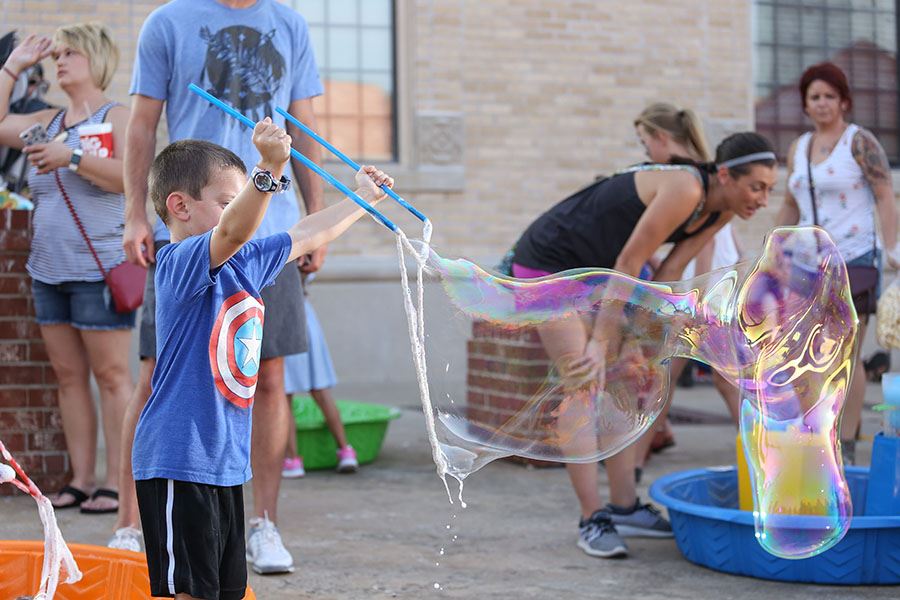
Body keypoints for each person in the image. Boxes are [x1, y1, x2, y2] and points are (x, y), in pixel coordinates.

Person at [132, 124, 392, 599]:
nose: (240, 210)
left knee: (225, 590)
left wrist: (364, 199)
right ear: (180, 206)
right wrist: (270, 167)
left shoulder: (245, 263)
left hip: (224, 463)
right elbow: (233, 228)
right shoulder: (178, 262)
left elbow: (305, 233)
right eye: (227, 198)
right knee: (188, 591)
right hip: (177, 459)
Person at [112, 0, 325, 569]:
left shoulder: (290, 23)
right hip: (195, 236)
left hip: (271, 238)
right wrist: (137, 214)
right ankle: (133, 523)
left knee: (267, 375)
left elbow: (303, 122)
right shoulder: (167, 22)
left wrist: (317, 210)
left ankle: (263, 524)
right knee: (155, 374)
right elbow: (141, 123)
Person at [510, 132, 777, 558]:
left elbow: (668, 271)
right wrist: (600, 341)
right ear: (725, 175)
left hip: (602, 273)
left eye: (769, 190)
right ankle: (591, 518)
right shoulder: (686, 187)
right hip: (551, 263)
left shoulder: (721, 210)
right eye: (756, 186)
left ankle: (625, 506)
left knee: (622, 381)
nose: (763, 199)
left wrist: (638, 340)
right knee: (582, 378)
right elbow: (630, 261)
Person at [0, 26, 132, 514]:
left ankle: (118, 486)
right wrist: (13, 65)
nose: (58, 62)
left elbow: (132, 177)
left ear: (95, 59)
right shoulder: (47, 120)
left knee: (113, 376)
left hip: (100, 266)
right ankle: (81, 480)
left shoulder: (117, 115)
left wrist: (72, 157)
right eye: (55, 55)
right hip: (48, 269)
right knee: (67, 376)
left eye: (69, 53)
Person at [776, 62, 900, 465]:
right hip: (808, 264)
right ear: (805, 105)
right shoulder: (799, 147)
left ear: (844, 101)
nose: (823, 103)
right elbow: (790, 203)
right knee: (808, 355)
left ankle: (845, 445)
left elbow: (885, 194)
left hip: (855, 258)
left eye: (830, 95)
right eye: (815, 97)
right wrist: (771, 248)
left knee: (847, 354)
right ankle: (816, 436)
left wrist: (893, 248)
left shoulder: (858, 142)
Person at [631, 104, 743, 480]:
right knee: (671, 375)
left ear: (663, 138)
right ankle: (637, 456)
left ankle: (635, 459)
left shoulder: (689, 181)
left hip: (703, 294)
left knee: (709, 379)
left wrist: (697, 298)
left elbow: (707, 246)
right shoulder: (707, 174)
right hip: (712, 289)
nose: (645, 152)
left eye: (646, 141)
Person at [282, 274, 358, 478]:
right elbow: (311, 267)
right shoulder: (305, 250)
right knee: (320, 391)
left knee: (283, 395)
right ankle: (346, 450)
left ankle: (292, 459)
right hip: (304, 318)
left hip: (281, 321)